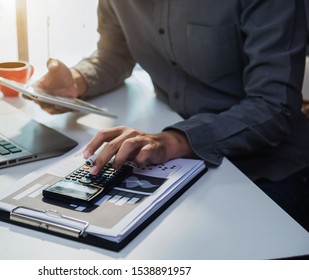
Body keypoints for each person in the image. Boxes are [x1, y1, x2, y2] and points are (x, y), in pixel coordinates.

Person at [31, 0, 309, 230]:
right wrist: (77, 81)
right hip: (176, 162)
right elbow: (114, 53)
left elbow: (274, 106)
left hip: (268, 170)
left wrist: (174, 142)